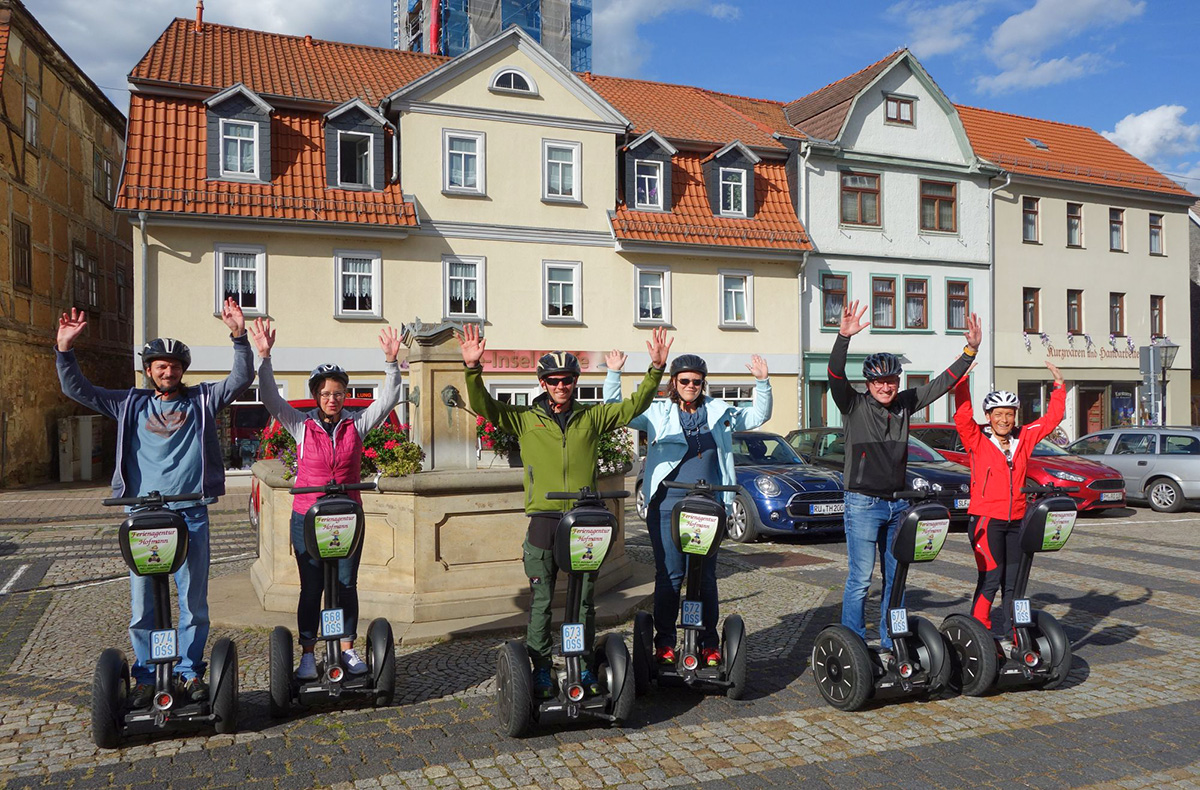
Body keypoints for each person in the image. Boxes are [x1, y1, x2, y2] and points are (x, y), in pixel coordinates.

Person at [56, 300, 253, 707]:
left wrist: (239, 336)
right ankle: (147, 675)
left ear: (183, 370)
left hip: (190, 512)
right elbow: (78, 390)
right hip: (144, 518)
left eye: (175, 366)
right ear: (149, 370)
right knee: (143, 602)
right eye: (161, 366)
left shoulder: (202, 400)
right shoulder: (130, 403)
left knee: (193, 601)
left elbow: (240, 379)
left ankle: (188, 671)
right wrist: (65, 350)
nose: (169, 371)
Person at [458, 324, 670, 699]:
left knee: (584, 601)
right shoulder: (526, 419)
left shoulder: (591, 418)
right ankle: (541, 669)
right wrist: (473, 369)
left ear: (575, 382)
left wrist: (655, 370)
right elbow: (484, 406)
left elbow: (633, 406)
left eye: (567, 380)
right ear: (543, 383)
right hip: (544, 519)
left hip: (583, 521)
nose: (561, 386)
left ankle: (582, 664)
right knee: (542, 602)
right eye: (554, 380)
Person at [247, 317, 403, 680]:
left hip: (347, 516)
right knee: (312, 587)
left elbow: (389, 399)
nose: (332, 399)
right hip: (308, 516)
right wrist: (265, 358)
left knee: (346, 584)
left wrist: (391, 362)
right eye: (326, 393)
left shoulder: (356, 425)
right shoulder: (301, 426)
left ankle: (346, 648)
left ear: (345, 395)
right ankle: (307, 652)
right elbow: (271, 399)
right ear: (317, 396)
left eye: (338, 393)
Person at [829, 300, 981, 652]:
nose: (886, 387)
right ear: (869, 383)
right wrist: (843, 338)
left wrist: (970, 351)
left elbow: (942, 384)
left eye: (891, 381)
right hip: (862, 504)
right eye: (880, 382)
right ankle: (853, 645)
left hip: (898, 505)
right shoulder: (852, 405)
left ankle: (890, 640)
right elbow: (835, 374)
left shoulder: (905, 404)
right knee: (860, 580)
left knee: (896, 579)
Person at [604, 352, 770, 666]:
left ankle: (708, 642)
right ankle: (665, 643)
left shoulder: (717, 411)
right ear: (674, 382)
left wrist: (762, 382)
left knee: (705, 576)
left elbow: (757, 416)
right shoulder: (657, 411)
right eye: (685, 380)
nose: (691, 385)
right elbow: (616, 411)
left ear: (702, 383)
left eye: (696, 381)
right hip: (667, 504)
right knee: (670, 575)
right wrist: (614, 374)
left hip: (709, 505)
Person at [953, 361, 1065, 650]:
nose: (1004, 419)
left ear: (1015, 416)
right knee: (991, 579)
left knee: (1014, 583)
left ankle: (1016, 634)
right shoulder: (976, 439)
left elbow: (1052, 419)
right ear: (988, 416)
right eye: (998, 414)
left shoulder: (1024, 438)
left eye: (1009, 414)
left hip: (1017, 520)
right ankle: (979, 635)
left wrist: (1058, 386)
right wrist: (962, 383)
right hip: (986, 520)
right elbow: (962, 415)